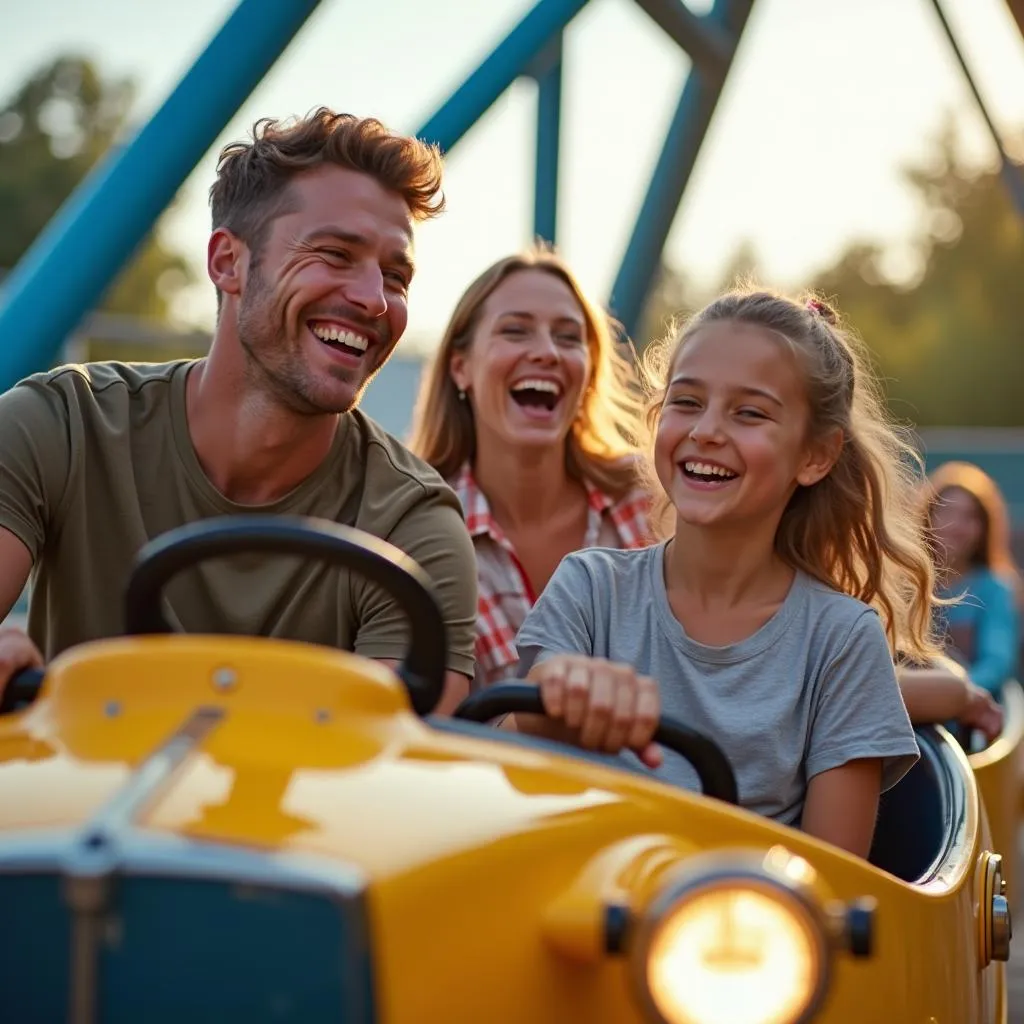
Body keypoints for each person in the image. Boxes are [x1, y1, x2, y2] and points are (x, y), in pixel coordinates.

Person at [0, 108, 477, 712]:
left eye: (395, 276)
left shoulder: (413, 525)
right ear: (228, 262)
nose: (373, 299)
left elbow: (379, 769)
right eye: (334, 254)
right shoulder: (61, 425)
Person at [510, 289, 935, 859]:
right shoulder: (591, 587)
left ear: (816, 456)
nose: (706, 431)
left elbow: (832, 880)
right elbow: (526, 720)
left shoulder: (840, 639)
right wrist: (566, 690)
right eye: (686, 402)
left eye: (749, 413)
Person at [407, 247, 653, 690]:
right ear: (461, 368)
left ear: (590, 372)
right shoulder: (414, 528)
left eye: (567, 337)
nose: (546, 353)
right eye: (516, 331)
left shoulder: (654, 502)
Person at [924, 461, 1021, 696]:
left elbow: (996, 663)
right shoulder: (905, 584)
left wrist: (951, 696)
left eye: (969, 517)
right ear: (928, 516)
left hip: (967, 715)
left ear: (984, 528)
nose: (956, 526)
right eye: (946, 512)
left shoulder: (994, 588)